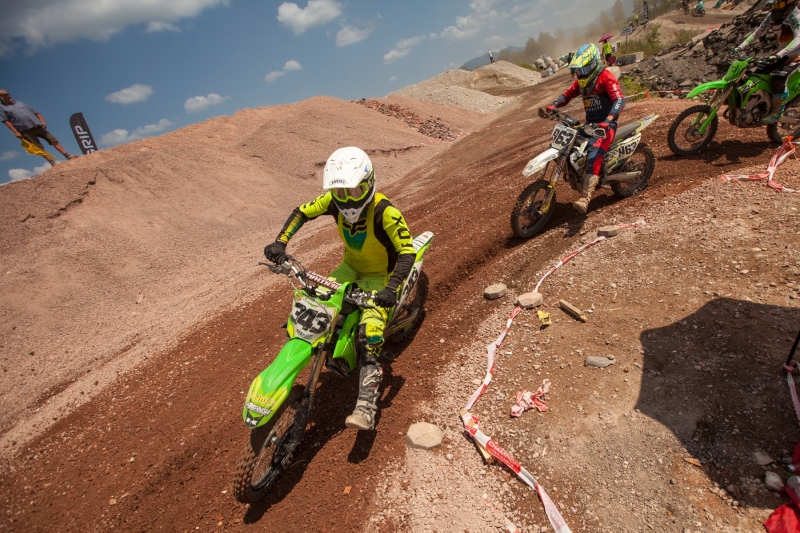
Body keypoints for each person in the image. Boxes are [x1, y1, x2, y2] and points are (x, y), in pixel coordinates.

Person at [264, 147, 416, 431]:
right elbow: (302, 212)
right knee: (314, 308)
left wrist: (392, 288)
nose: (346, 200)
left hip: (380, 277)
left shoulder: (386, 211)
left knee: (370, 334)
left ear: (369, 184)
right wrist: (280, 242)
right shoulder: (332, 201)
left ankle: (367, 405)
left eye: (354, 192)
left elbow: (407, 252)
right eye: (340, 193)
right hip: (349, 268)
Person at [545, 43, 625, 214]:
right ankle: (578, 174)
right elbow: (567, 94)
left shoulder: (606, 77)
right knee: (568, 143)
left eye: (583, 70)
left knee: (594, 153)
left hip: (605, 126)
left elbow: (619, 100)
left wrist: (609, 119)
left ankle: (585, 196)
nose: (580, 74)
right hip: (590, 125)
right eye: (578, 71)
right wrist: (554, 105)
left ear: (593, 64)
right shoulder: (581, 83)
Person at [733, 0, 800, 124]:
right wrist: (740, 46)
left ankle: (777, 112)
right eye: (773, 5)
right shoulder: (772, 16)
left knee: (779, 78)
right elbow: (757, 33)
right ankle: (759, 105)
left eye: (778, 5)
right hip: (783, 53)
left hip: (797, 54)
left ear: (789, 3)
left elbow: (798, 38)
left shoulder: (795, 15)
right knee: (758, 72)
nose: (775, 9)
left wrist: (779, 55)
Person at [0, 90, 77, 164]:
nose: (8, 95)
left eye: (8, 94)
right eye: (5, 95)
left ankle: (67, 155)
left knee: (53, 140)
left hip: (37, 126)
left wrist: (42, 121)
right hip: (25, 130)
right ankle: (52, 162)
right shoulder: (2, 108)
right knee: (38, 147)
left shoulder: (19, 103)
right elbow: (6, 121)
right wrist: (15, 132)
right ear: (1, 97)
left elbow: (36, 112)